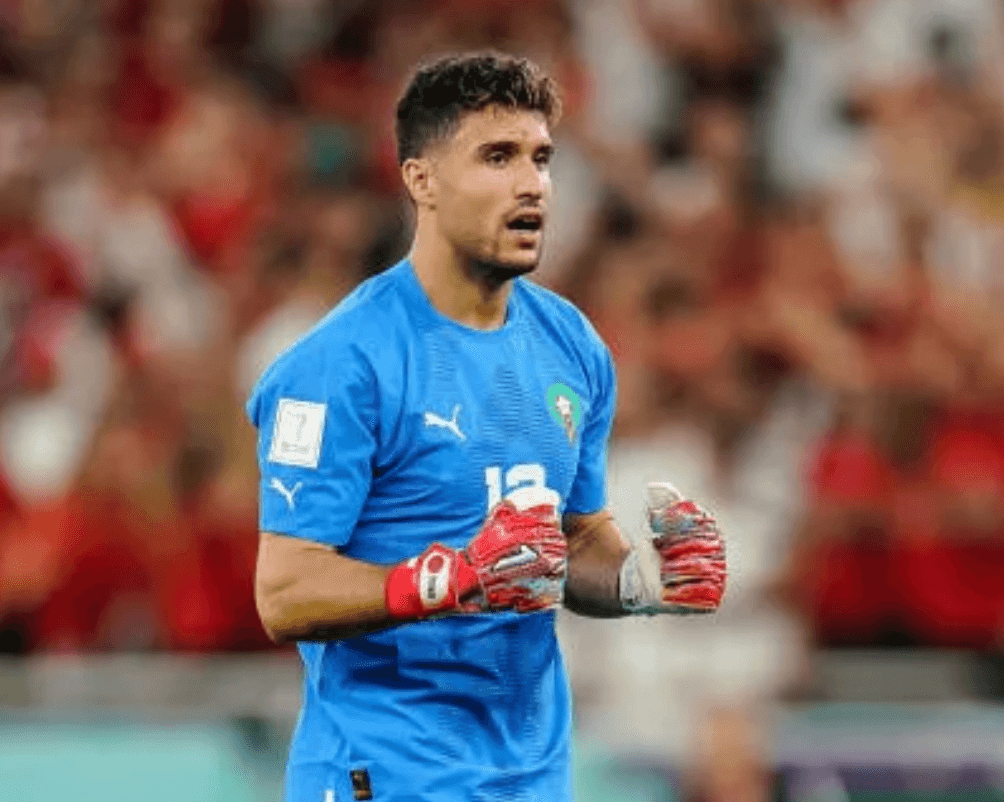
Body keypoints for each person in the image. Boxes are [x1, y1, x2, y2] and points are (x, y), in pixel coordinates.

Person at [247, 52, 728, 802]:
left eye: (541, 158)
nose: (531, 183)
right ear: (422, 181)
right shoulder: (341, 363)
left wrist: (641, 581)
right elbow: (284, 591)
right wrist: (450, 578)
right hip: (387, 773)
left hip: (530, 775)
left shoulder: (573, 347)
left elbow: (576, 539)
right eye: (497, 157)